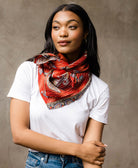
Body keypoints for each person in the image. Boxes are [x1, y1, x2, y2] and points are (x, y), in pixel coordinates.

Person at [7, 3, 110, 168]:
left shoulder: (98, 88)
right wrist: (79, 150)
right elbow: (19, 134)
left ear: (85, 33)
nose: (62, 33)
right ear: (51, 33)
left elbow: (91, 154)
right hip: (39, 163)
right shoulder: (30, 70)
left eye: (72, 27)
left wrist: (85, 153)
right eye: (56, 27)